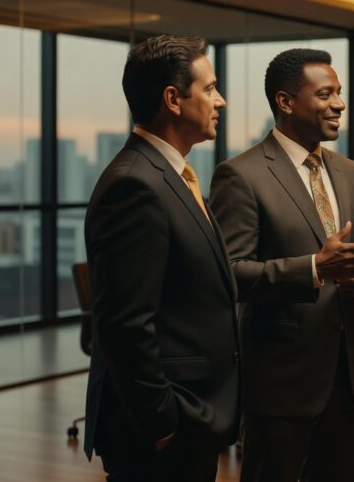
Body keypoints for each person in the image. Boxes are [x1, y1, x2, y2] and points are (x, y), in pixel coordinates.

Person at [209, 48, 354, 482]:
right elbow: (229, 273)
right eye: (325, 94)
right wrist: (313, 268)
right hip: (280, 382)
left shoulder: (350, 172)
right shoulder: (242, 175)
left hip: (347, 379)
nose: (339, 104)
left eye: (339, 94)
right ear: (286, 102)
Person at [83, 35, 240, 482]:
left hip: (193, 419)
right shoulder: (134, 185)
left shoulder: (174, 174)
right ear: (173, 99)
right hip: (163, 433)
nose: (221, 101)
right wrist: (163, 424)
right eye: (209, 88)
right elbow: (124, 325)